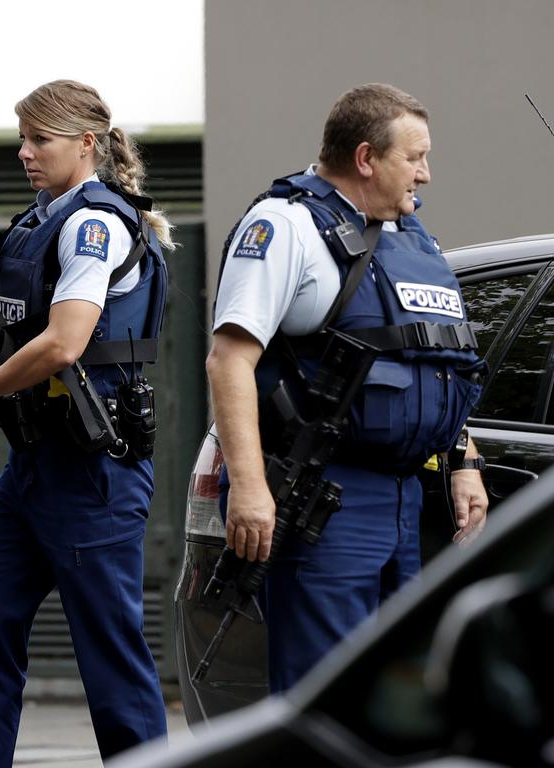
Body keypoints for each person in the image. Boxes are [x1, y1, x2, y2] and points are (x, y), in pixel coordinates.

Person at [207, 83, 489, 693]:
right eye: (414, 157)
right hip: (325, 500)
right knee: (327, 697)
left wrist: (464, 459)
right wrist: (251, 490)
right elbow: (229, 359)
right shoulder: (287, 226)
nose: (427, 174)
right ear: (367, 158)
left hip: (406, 498)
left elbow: (435, 361)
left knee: (397, 695)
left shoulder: (412, 239)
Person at [0, 80, 173, 766]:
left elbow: (65, 341)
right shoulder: (40, 218)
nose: (24, 152)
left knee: (111, 658)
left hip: (94, 471)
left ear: (86, 144)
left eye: (41, 140)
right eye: (22, 139)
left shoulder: (95, 224)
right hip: (30, 468)